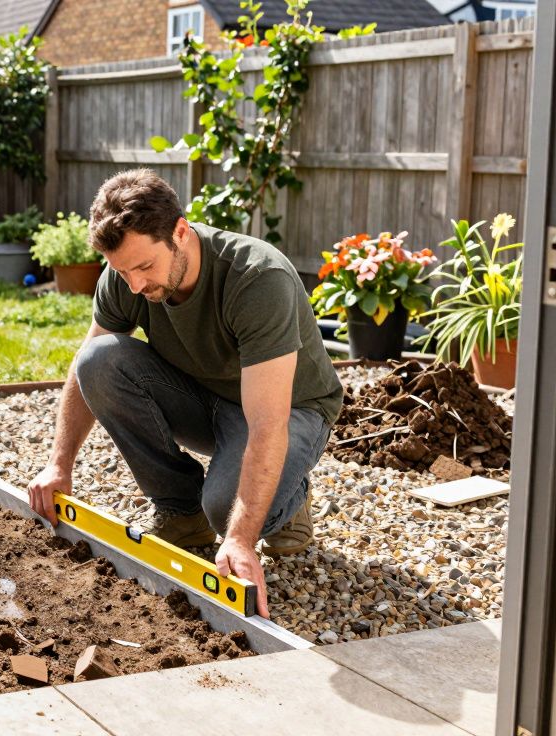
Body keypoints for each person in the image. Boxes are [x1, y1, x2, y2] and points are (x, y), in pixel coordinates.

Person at [27, 169, 343, 617]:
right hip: (204, 395)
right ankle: (180, 512)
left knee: (225, 512)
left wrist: (239, 539)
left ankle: (288, 498)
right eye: (122, 270)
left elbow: (268, 424)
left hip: (291, 411)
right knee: (97, 359)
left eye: (144, 267)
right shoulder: (127, 276)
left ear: (180, 231)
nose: (134, 285)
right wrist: (58, 465)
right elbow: (86, 373)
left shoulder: (257, 278)